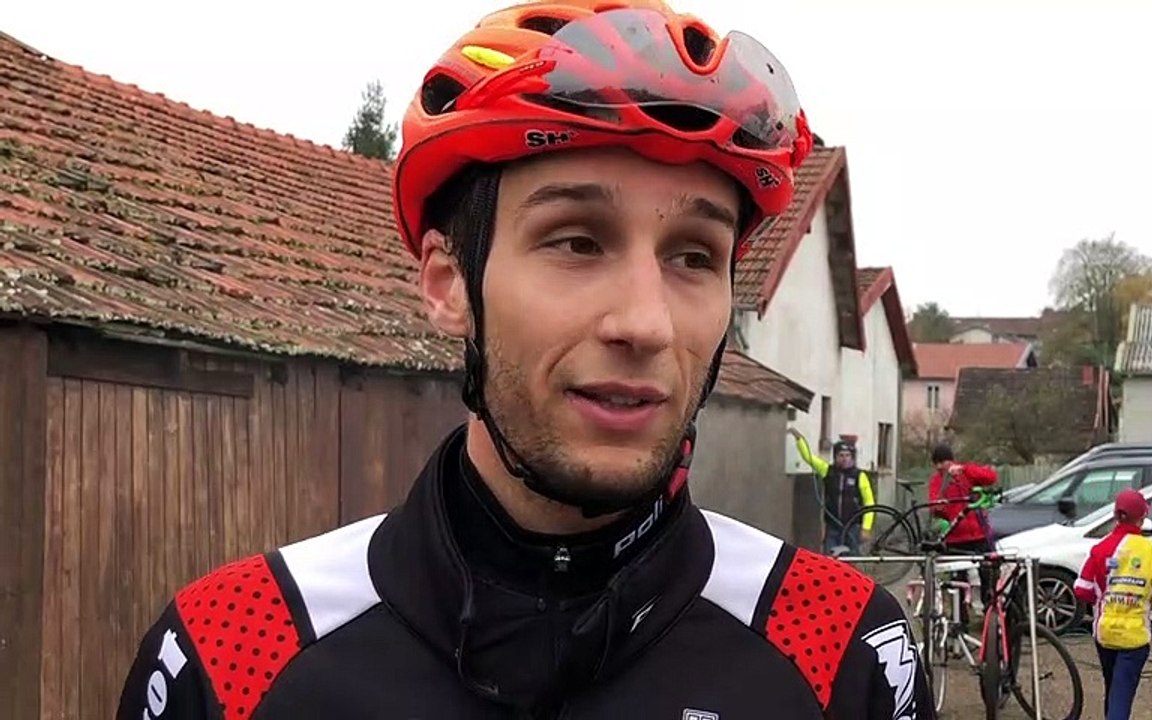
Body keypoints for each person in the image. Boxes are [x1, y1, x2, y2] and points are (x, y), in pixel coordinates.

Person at [114, 2, 935, 718]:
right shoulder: (231, 654)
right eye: (577, 240)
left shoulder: (843, 652)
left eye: (692, 255)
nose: (645, 323)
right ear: (447, 285)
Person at [1073, 489, 1152, 720]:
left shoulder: (1100, 548)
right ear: (1142, 519)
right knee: (1122, 696)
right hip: (1135, 638)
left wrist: (1104, 598)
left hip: (1105, 634)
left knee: (1113, 690)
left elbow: (1082, 589)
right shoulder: (1151, 552)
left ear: (1116, 516)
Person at [927, 443, 998, 615]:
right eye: (937, 463)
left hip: (978, 534)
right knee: (958, 581)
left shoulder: (966, 473)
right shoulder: (937, 481)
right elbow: (936, 506)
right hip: (955, 537)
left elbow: (990, 477)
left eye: (943, 462)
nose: (940, 467)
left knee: (988, 575)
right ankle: (960, 617)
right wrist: (945, 484)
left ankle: (991, 613)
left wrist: (965, 469)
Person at [789, 428, 874, 556]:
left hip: (853, 527)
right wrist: (799, 439)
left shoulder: (860, 476)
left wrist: (866, 527)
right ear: (835, 457)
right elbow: (809, 458)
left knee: (852, 562)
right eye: (841, 455)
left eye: (847, 456)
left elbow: (869, 502)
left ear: (852, 457)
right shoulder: (827, 471)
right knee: (830, 559)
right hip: (833, 527)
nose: (845, 459)